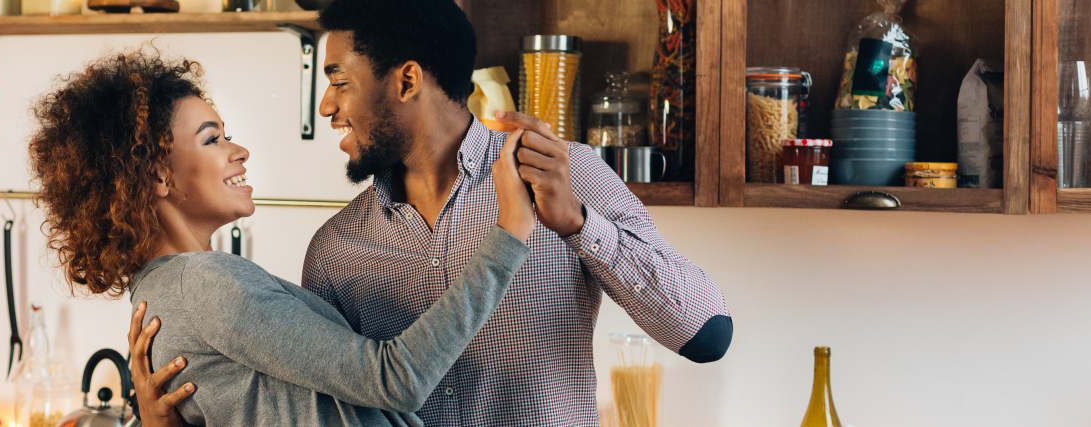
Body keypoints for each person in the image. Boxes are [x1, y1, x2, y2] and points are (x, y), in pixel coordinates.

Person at [134, 0, 734, 424]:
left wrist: (580, 224)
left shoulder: (562, 175)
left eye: (339, 81)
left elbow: (706, 333)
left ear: (408, 79)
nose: (326, 106)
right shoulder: (336, 250)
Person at [28, 48, 543, 426]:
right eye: (212, 139)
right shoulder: (206, 285)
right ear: (158, 176)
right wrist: (511, 231)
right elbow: (397, 380)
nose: (239, 151)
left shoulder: (163, 293)